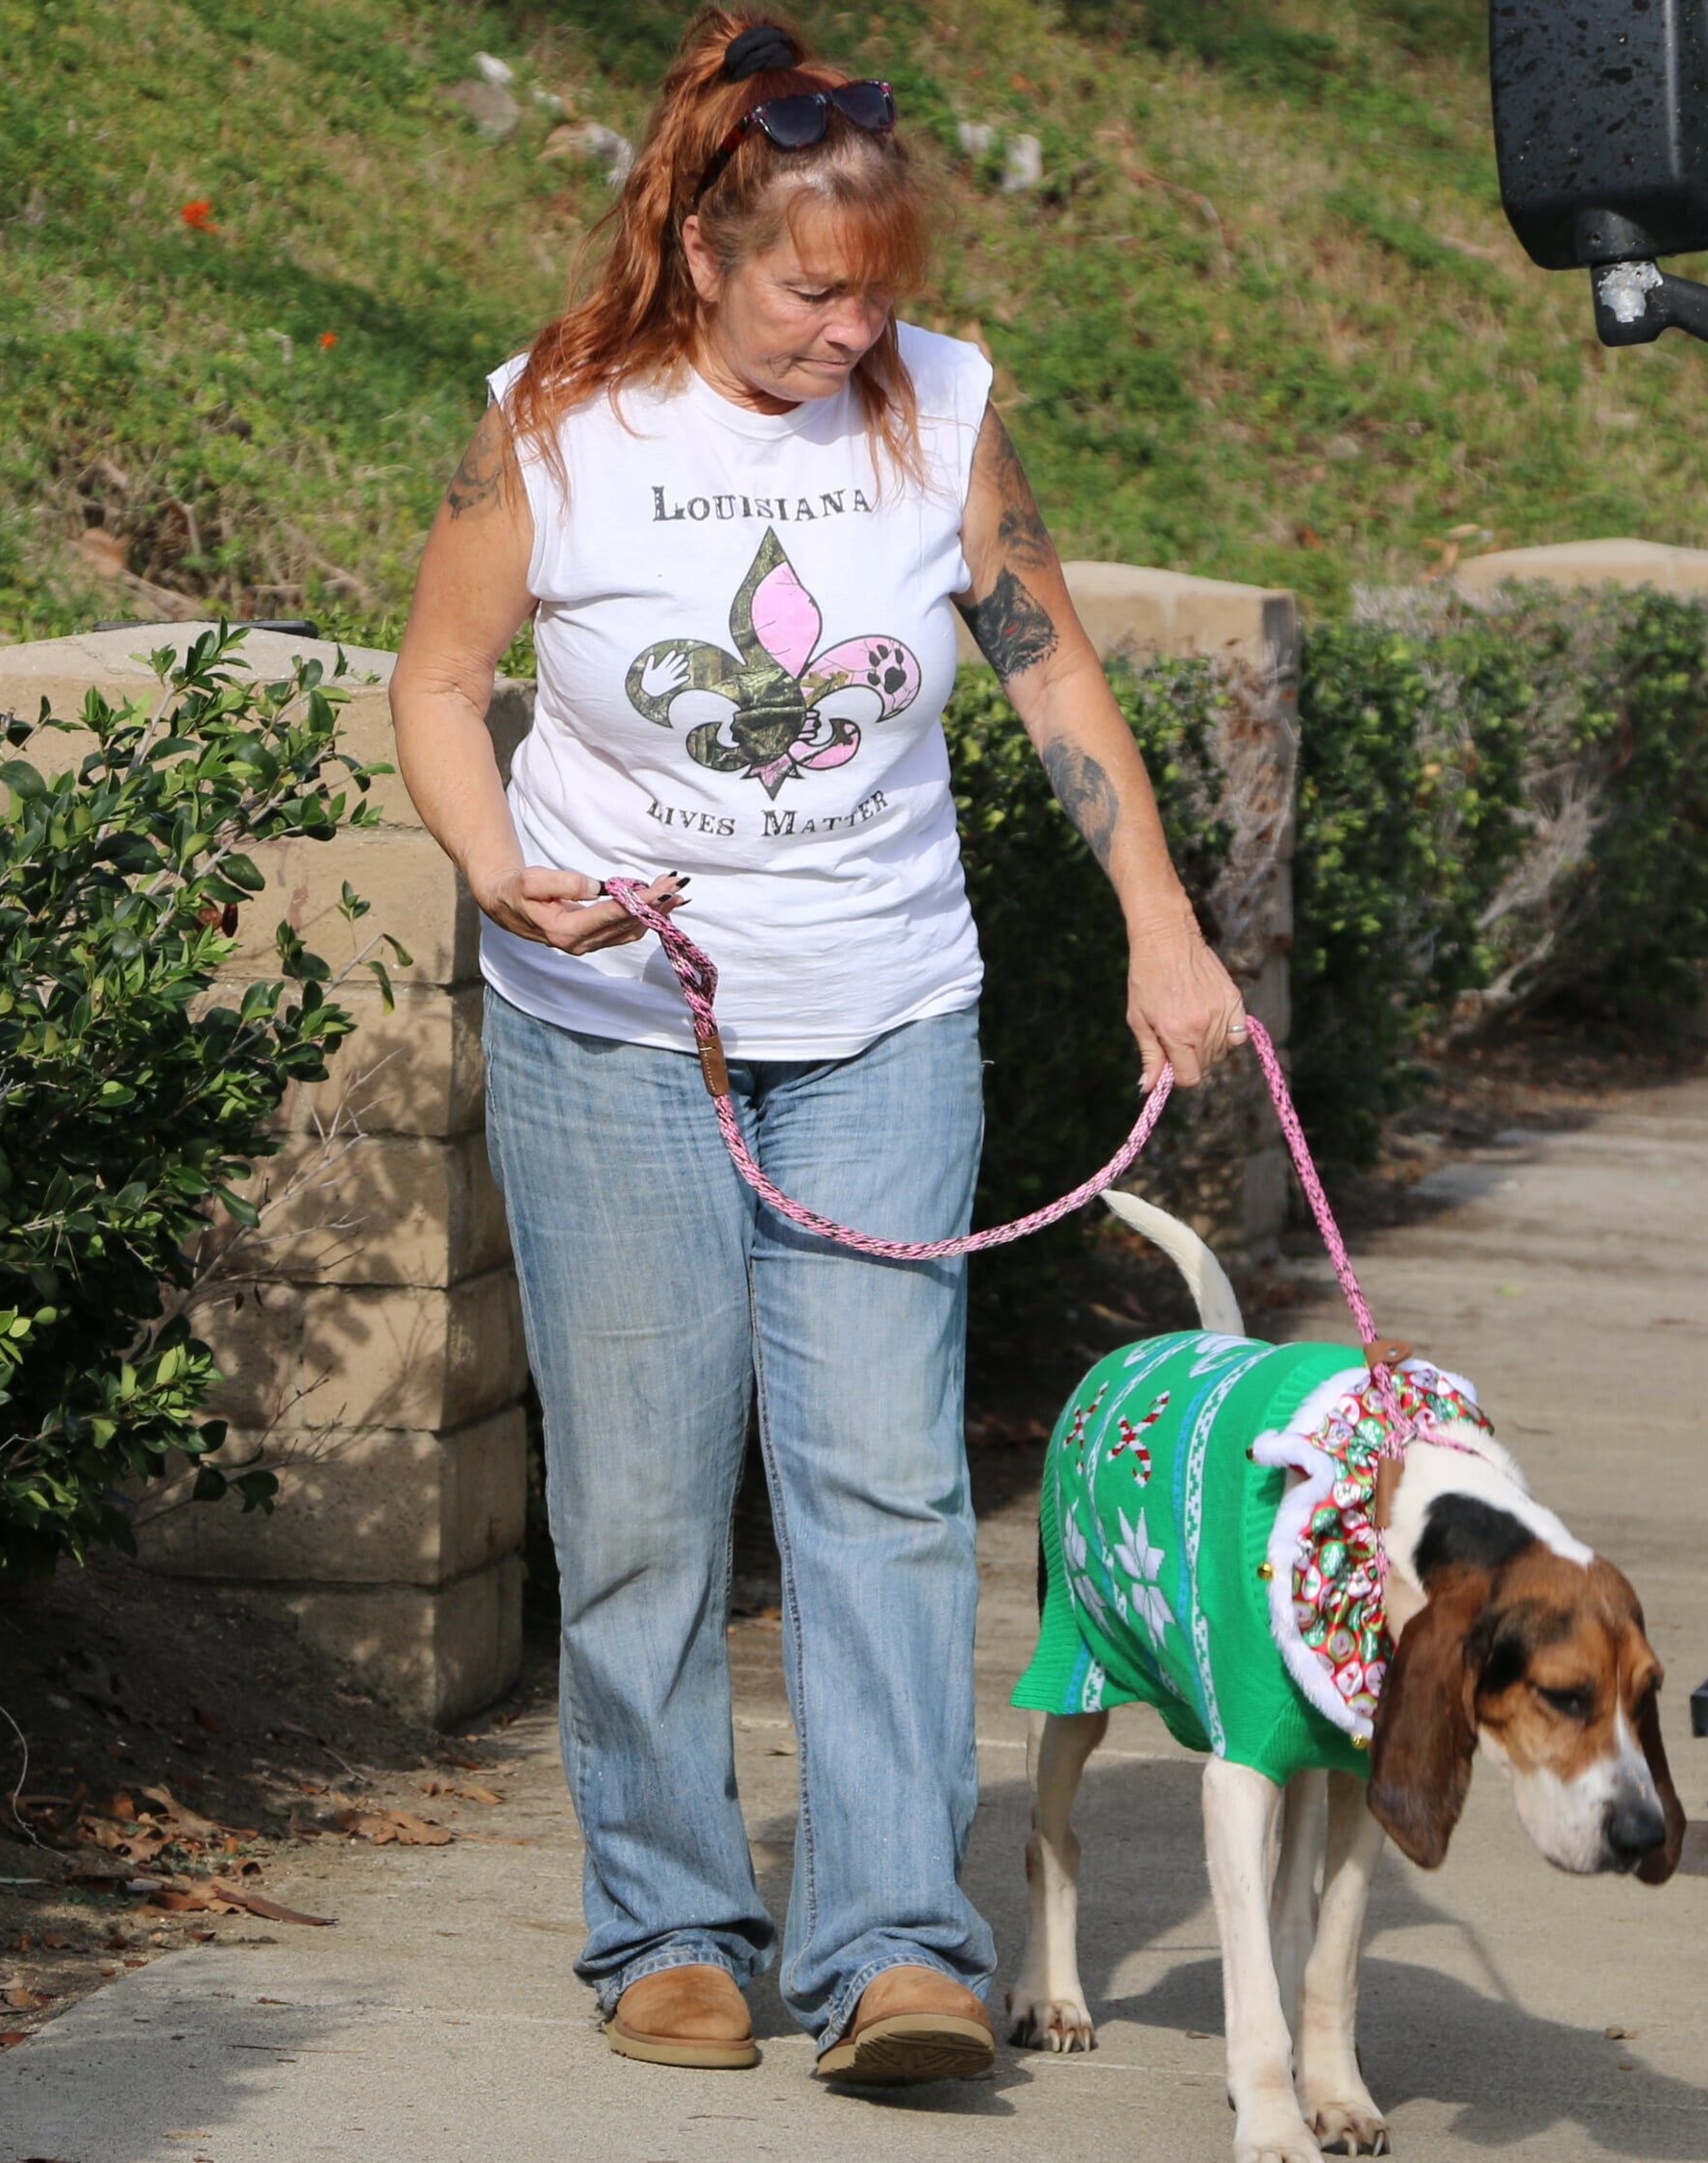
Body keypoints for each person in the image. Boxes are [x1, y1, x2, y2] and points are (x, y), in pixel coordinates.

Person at [387, 5, 1245, 2087]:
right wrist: (499, 867)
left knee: (878, 1484)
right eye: (806, 287)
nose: (846, 328)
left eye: (877, 292)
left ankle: (890, 1944)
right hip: (613, 1028)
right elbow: (436, 682)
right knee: (647, 1499)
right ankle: (667, 1921)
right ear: (699, 247)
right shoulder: (554, 427)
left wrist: (1156, 921)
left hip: (879, 1019)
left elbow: (1047, 675)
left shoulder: (935, 413)